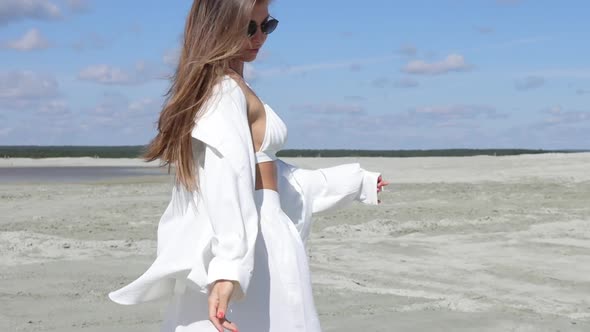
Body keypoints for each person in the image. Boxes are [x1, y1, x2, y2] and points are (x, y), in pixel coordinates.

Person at [108, 0, 390, 331]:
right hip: (256, 245)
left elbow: (274, 178)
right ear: (217, 27)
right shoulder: (225, 90)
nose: (259, 37)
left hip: (262, 237)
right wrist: (229, 269)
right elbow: (229, 177)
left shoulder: (232, 86)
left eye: (266, 26)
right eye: (249, 28)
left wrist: (355, 182)